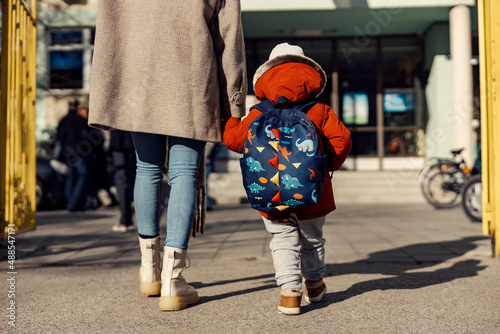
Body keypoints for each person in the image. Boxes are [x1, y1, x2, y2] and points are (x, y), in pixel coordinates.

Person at [88, 1, 247, 311]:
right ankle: (173, 281)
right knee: (184, 174)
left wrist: (109, 88)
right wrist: (235, 100)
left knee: (145, 168)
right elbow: (230, 37)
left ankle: (149, 270)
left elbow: (109, 33)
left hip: (138, 82)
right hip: (192, 79)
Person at [223, 43, 352, 315]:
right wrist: (329, 166)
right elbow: (341, 142)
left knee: (282, 240)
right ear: (309, 74)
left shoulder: (259, 112)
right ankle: (315, 286)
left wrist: (232, 120)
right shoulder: (319, 110)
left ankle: (289, 294)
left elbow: (234, 141)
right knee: (312, 238)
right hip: (313, 189)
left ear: (266, 77)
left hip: (271, 192)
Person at [56, 98, 91, 211]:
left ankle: (70, 203)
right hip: (79, 152)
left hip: (68, 152)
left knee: (71, 177)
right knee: (83, 176)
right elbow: (86, 136)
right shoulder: (79, 120)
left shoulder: (64, 120)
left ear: (68, 106)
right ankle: (73, 202)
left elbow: (59, 137)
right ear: (77, 107)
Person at [109, 130, 136, 232]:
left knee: (122, 179)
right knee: (136, 177)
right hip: (136, 140)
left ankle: (125, 219)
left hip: (121, 142)